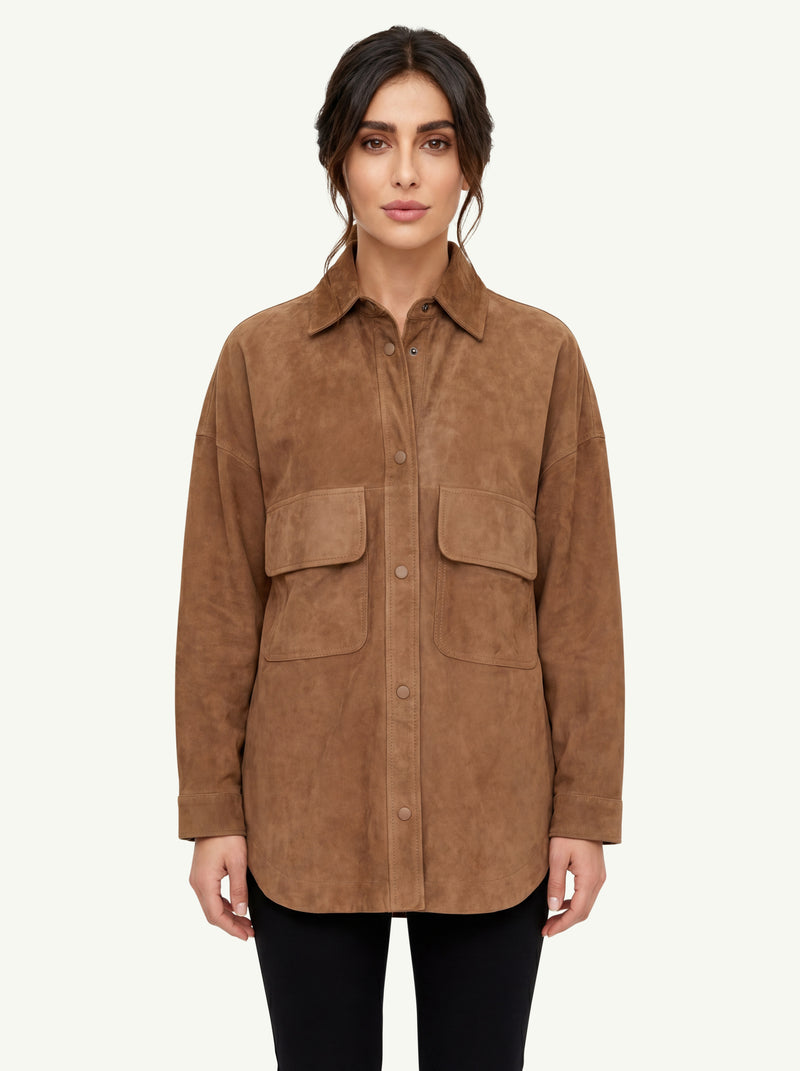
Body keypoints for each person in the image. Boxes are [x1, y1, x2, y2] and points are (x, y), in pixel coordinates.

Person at [175, 24, 625, 1071]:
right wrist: (211, 812)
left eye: (435, 141)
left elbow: (580, 603)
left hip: (492, 823)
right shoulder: (259, 360)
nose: (406, 172)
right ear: (338, 160)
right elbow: (217, 601)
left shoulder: (541, 359)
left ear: (470, 162)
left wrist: (585, 811)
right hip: (304, 821)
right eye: (376, 142)